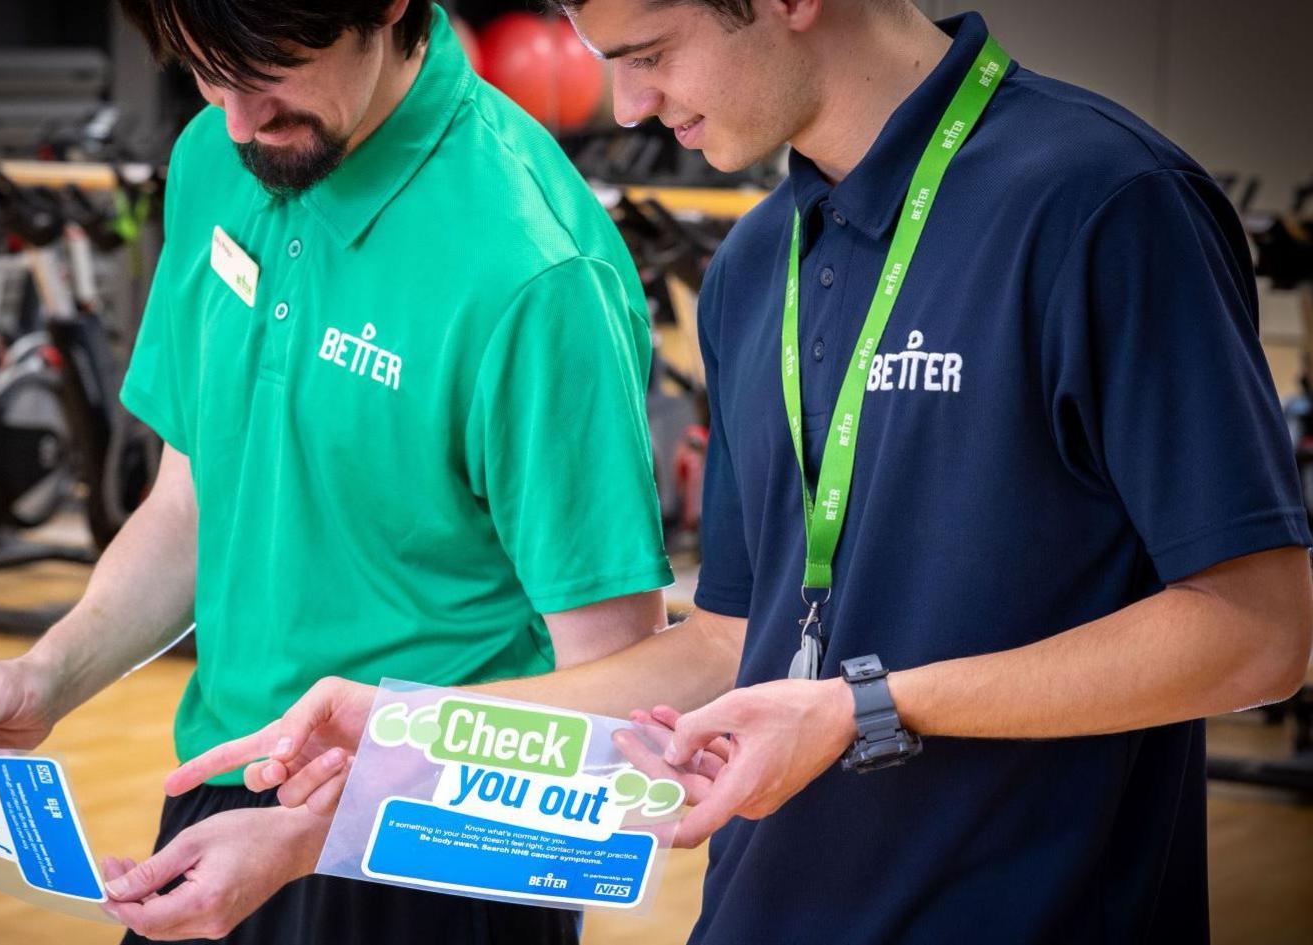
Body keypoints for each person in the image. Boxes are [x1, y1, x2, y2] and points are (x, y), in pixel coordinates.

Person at [179, 1, 1313, 942]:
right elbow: (725, 642)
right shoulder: (757, 263)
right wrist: (392, 741)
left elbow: (1258, 629)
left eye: (650, 55)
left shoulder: (1103, 206)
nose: (628, 107)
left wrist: (870, 707)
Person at [0, 1, 678, 942]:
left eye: (265, 68)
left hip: (437, 860)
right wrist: (46, 674)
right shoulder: (211, 160)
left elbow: (611, 698)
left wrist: (323, 830)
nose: (236, 119)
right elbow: (194, 504)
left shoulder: (534, 268)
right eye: (203, 73)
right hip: (219, 798)